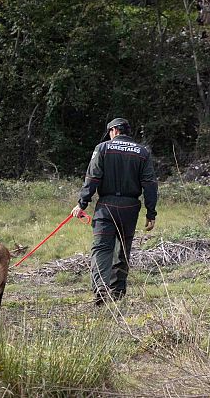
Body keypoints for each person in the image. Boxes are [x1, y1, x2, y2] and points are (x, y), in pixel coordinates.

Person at [71, 117, 158, 304]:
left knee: (102, 248)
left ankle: (101, 288)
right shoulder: (143, 152)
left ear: (114, 131)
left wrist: (82, 203)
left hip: (106, 207)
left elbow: (92, 177)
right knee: (123, 250)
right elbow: (150, 184)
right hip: (130, 208)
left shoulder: (102, 148)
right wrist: (151, 212)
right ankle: (117, 292)